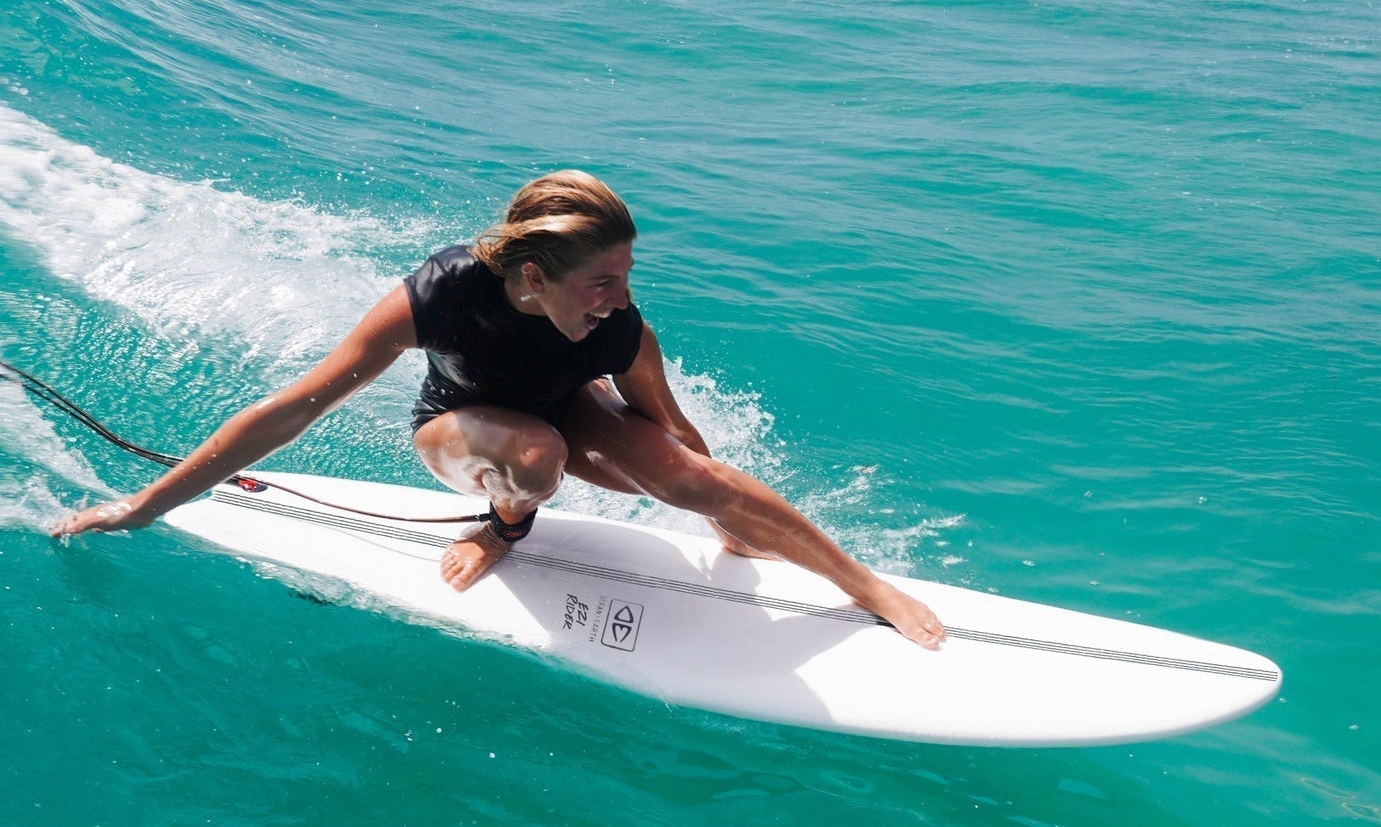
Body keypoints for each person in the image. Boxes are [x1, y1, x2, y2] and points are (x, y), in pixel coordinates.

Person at [52, 171, 946, 650]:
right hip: (461, 429)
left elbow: (677, 431)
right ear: (531, 275)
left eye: (627, 275)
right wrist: (143, 506)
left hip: (566, 412)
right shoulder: (438, 298)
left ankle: (862, 582)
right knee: (533, 456)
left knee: (676, 475)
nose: (620, 297)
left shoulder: (618, 329)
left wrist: (716, 510)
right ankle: (503, 529)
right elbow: (291, 411)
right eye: (600, 281)